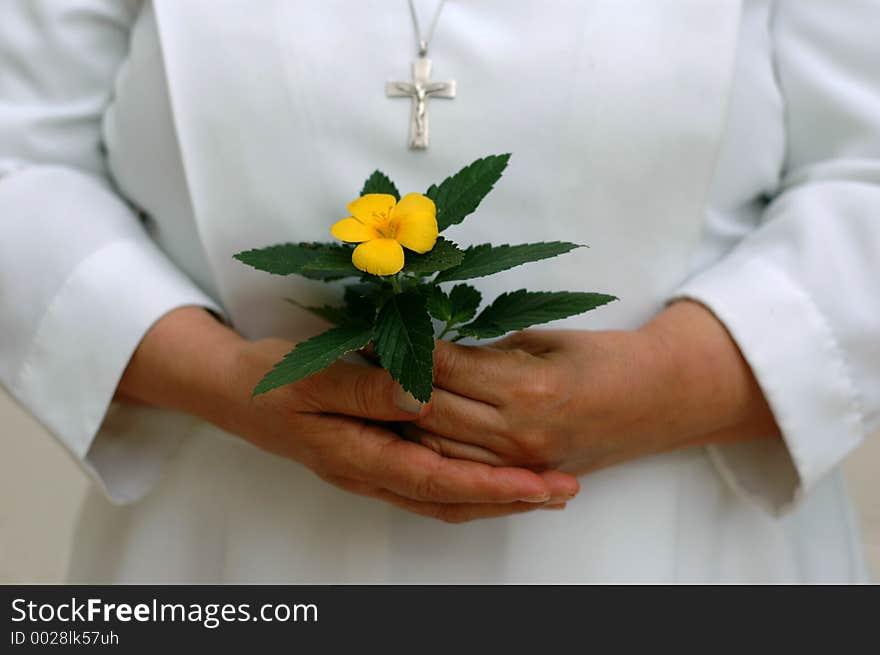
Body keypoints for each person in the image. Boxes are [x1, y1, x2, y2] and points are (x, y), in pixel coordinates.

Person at [0, 0, 876, 583]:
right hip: (221, 547)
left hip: (680, 549)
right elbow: (19, 156)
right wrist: (223, 379)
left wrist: (673, 380)